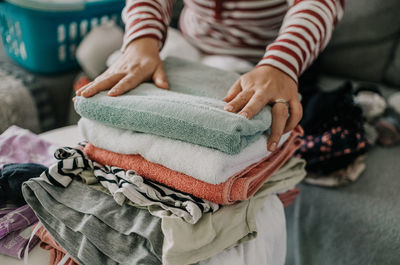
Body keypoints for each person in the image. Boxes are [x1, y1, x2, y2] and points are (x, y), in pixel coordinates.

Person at [76, 0, 345, 151]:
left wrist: (281, 64)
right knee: (114, 66)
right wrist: (141, 40)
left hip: (264, 61)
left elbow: (316, 4)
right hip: (192, 40)